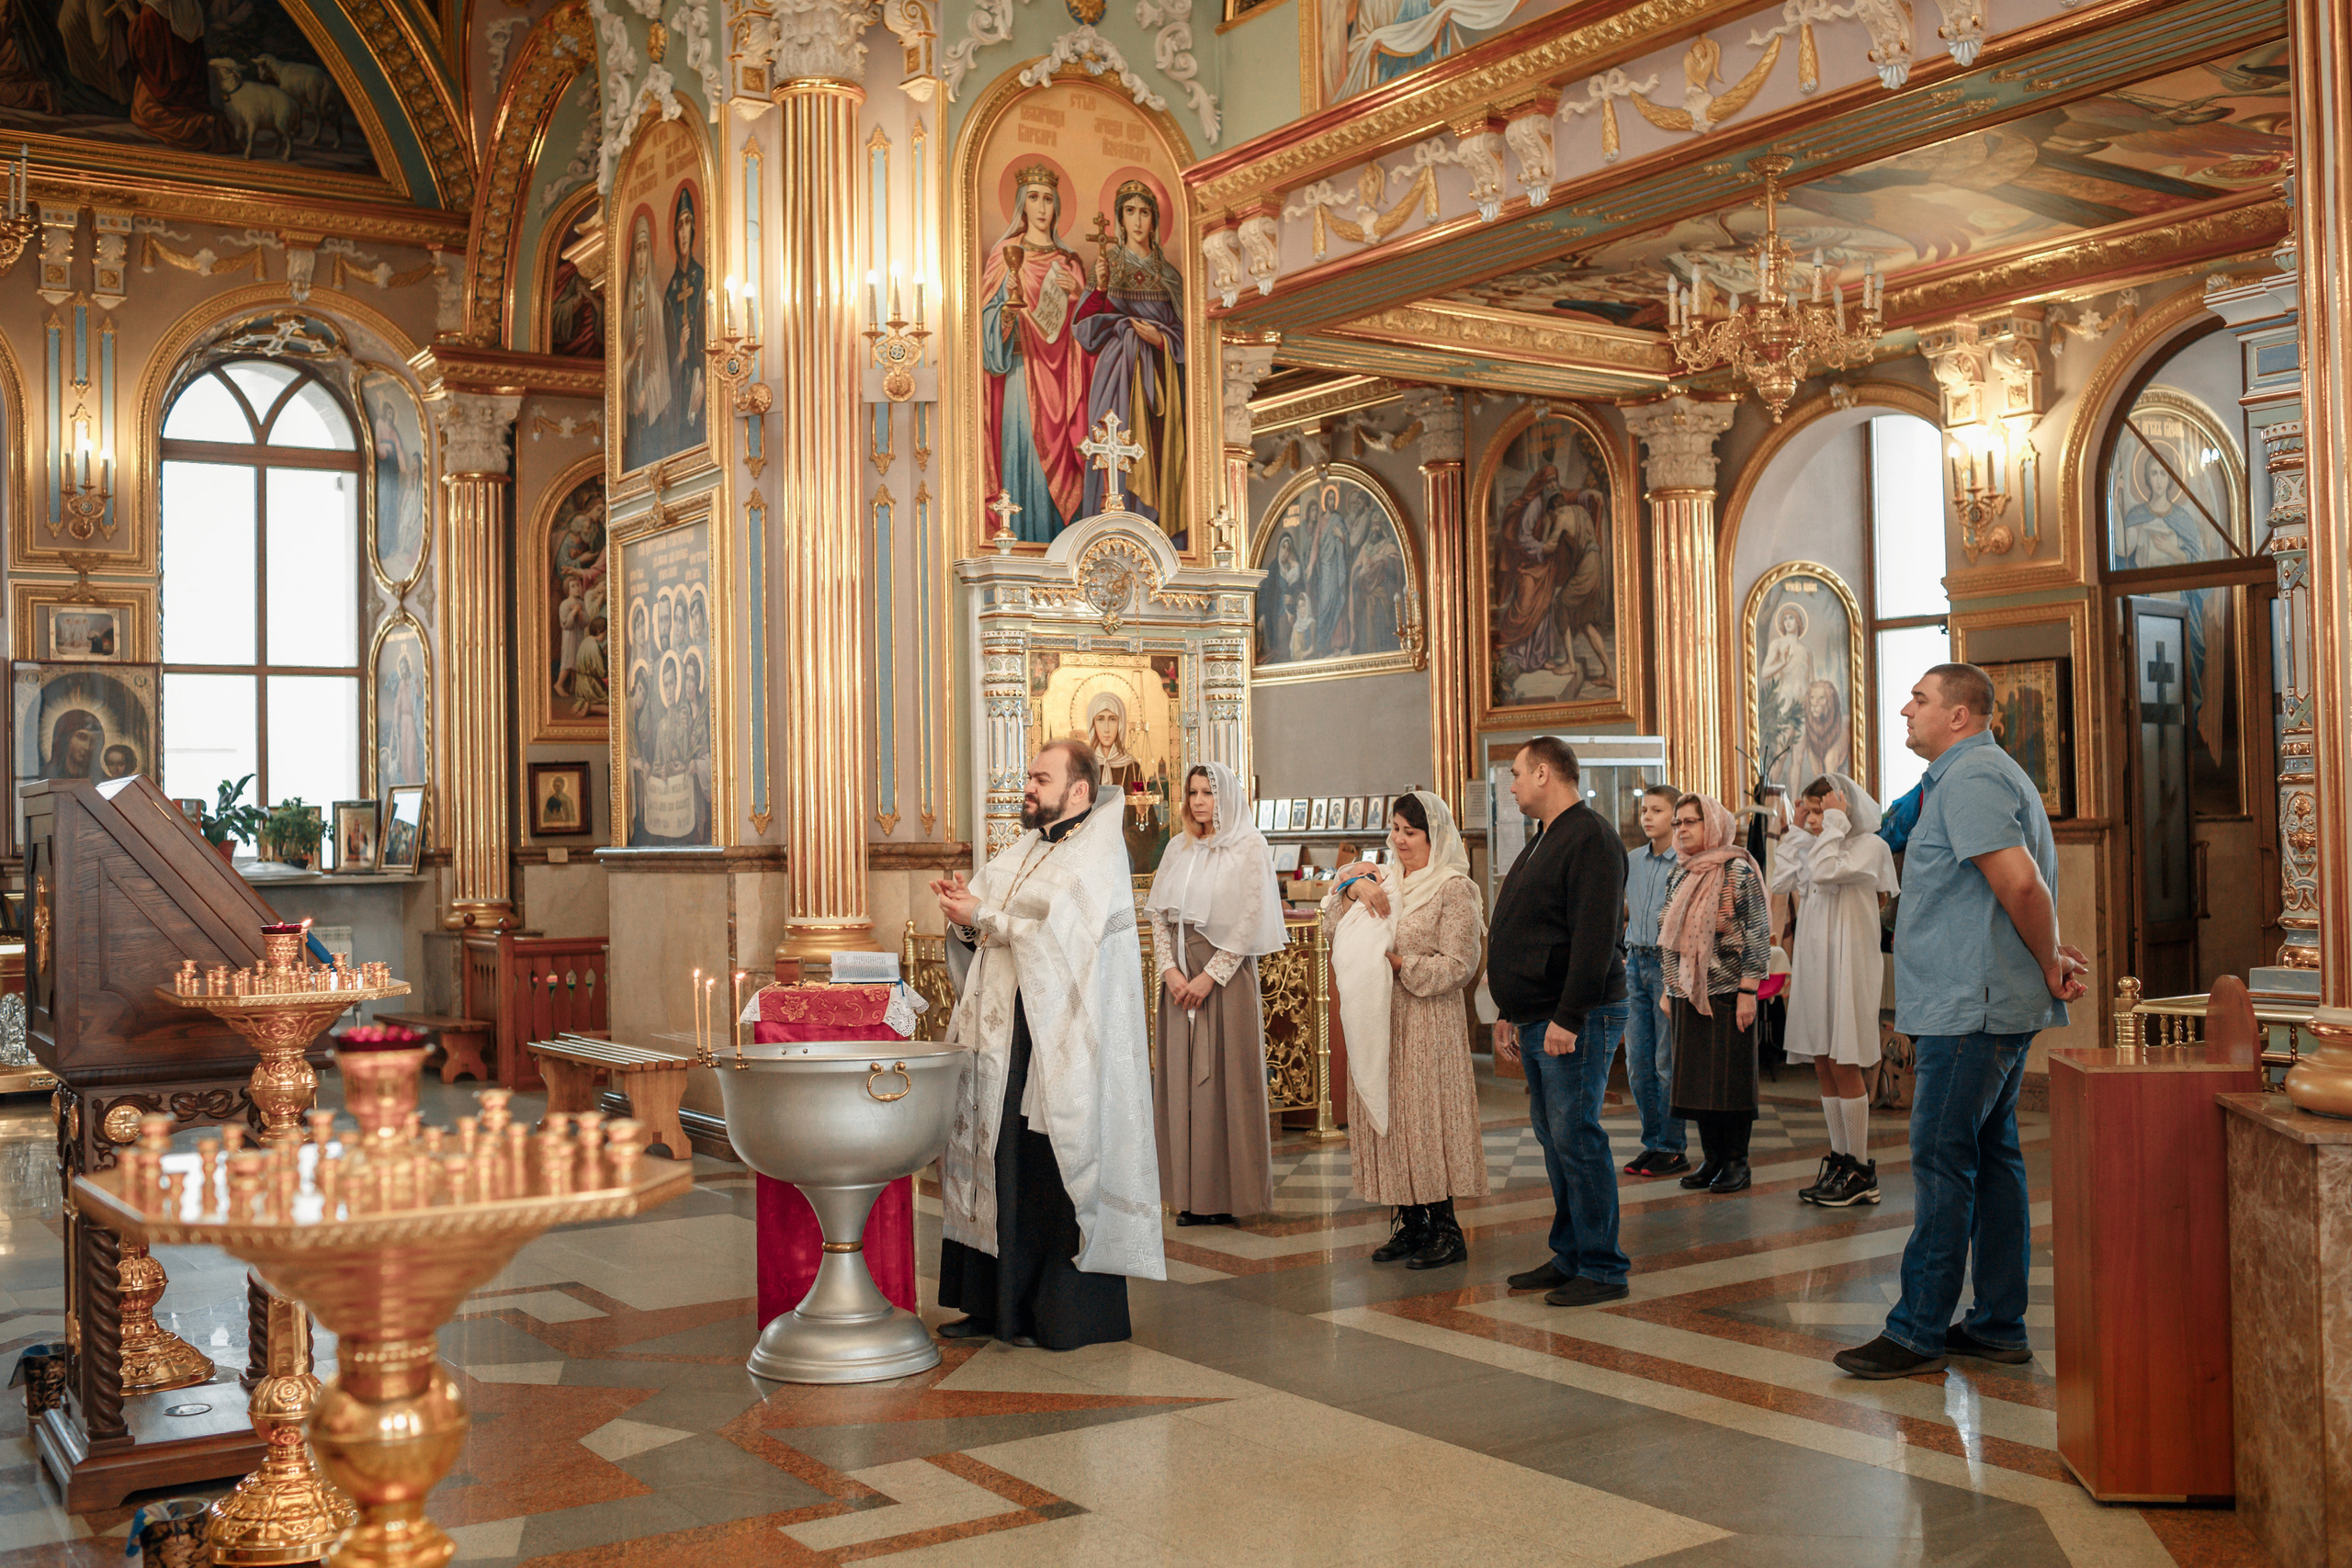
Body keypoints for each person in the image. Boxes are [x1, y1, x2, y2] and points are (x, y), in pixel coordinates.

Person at [1837, 664, 2086, 1380]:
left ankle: (1917, 1329)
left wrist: (2048, 959)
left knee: (1943, 1160)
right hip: (1976, 1000)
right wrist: (2045, 955)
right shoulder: (1969, 775)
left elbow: (2020, 883)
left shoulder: (1973, 775)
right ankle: (1999, 1322)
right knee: (1992, 1157)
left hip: (1970, 1007)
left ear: (1959, 715)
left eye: (1919, 699)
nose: (1905, 709)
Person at [931, 740, 1165, 1349]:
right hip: (998, 1037)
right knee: (996, 1165)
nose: (1028, 787)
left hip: (1053, 1044)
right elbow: (985, 928)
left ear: (1079, 790)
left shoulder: (1097, 857)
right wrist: (963, 918)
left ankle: (1051, 1313)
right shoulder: (1025, 849)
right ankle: (990, 1306)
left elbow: (1060, 946)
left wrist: (985, 918)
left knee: (1040, 1173)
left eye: (1041, 777)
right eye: (1029, 776)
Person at [1488, 737, 1633, 1307]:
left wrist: (1568, 1016)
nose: (1513, 785)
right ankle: (1571, 1254)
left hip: (1577, 1014)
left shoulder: (1590, 837)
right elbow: (1530, 927)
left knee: (1576, 1136)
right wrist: (1509, 1009)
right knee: (1555, 1138)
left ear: (1545, 773)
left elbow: (1595, 937)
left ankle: (1603, 1266)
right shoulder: (1546, 836)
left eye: (1517, 773)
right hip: (1538, 1013)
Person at [1326, 791, 1489, 1269]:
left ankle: (1446, 1229)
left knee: (1425, 1122)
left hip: (1427, 1025)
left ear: (1433, 836)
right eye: (1395, 829)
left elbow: (1461, 964)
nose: (1399, 840)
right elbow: (1334, 926)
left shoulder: (1453, 889)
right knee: (1393, 1123)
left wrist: (1401, 965)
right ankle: (1411, 1223)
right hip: (1379, 1021)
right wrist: (1354, 889)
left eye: (1410, 832)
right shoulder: (1385, 880)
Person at [1144, 761, 1285, 1227]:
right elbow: (1159, 915)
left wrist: (1210, 976)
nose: (1200, 801)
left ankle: (1227, 1196)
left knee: (1224, 1085)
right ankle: (1187, 1194)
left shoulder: (1249, 846)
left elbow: (1250, 917)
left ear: (1225, 797)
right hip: (1179, 982)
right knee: (1182, 1085)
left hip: (1224, 980)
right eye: (1193, 793)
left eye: (1208, 792)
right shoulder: (1178, 846)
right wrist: (1169, 970)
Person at [1770, 773, 1899, 1207]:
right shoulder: (1817, 843)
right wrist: (1797, 832)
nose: (1813, 819)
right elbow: (1780, 881)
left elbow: (1827, 872)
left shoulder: (1870, 847)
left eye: (1820, 810)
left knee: (1845, 1060)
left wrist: (1834, 825)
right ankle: (1841, 1161)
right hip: (1816, 964)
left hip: (1849, 964)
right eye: (1809, 811)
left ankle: (1861, 1169)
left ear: (1845, 808)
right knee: (1823, 1061)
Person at [1657, 795, 1770, 1193]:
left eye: (1691, 821)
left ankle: (1737, 1163)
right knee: (1698, 1083)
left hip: (1727, 992)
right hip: (1687, 992)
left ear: (1714, 824)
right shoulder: (1679, 872)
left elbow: (1758, 933)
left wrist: (1748, 991)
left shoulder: (1738, 870)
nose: (1682, 829)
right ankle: (1712, 1159)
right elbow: (1667, 935)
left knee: (1730, 1082)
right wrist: (1669, 988)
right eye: (1678, 823)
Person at [1620, 783, 1688, 1178]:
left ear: (1675, 817)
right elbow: (1624, 911)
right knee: (1638, 1063)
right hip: (1634, 963)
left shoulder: (1685, 863)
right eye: (1644, 810)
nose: (1647, 816)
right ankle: (1652, 1143)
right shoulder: (1632, 860)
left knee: (1666, 1061)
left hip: (1667, 965)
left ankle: (1672, 1146)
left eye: (1657, 810)